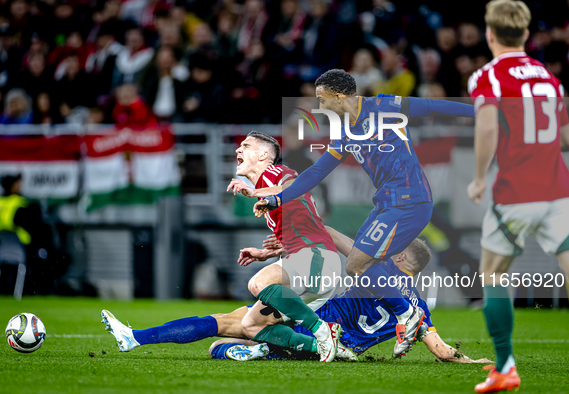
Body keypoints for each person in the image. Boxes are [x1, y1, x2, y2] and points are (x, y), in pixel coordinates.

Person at [253, 69, 474, 358]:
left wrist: (477, 110)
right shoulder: (344, 133)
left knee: (356, 264)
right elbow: (317, 171)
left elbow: (431, 106)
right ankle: (412, 316)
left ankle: (408, 314)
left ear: (338, 96)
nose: (320, 106)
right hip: (386, 205)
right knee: (364, 263)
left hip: (410, 201)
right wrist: (278, 199)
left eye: (322, 99)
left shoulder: (385, 106)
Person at [100, 228, 491, 364]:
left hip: (315, 326)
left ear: (403, 255)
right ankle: (134, 338)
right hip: (339, 350)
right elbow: (441, 349)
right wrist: (472, 360)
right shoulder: (418, 305)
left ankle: (134, 338)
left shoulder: (380, 267)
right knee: (229, 332)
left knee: (228, 328)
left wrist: (314, 222)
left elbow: (345, 245)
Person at [466, 1, 569, 392]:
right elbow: (567, 139)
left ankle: (505, 366)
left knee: (494, 274)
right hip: (561, 193)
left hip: (516, 192)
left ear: (490, 34)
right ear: (527, 34)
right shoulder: (550, 78)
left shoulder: (489, 76)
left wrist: (480, 177)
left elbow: (485, 127)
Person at [225, 131, 344, 362]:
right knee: (252, 325)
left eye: (246, 146)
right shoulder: (267, 191)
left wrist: (256, 192)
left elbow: (295, 186)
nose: (238, 150)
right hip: (311, 266)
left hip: (317, 256)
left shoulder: (276, 173)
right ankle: (326, 348)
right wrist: (269, 252)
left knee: (258, 283)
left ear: (263, 155)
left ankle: (322, 331)